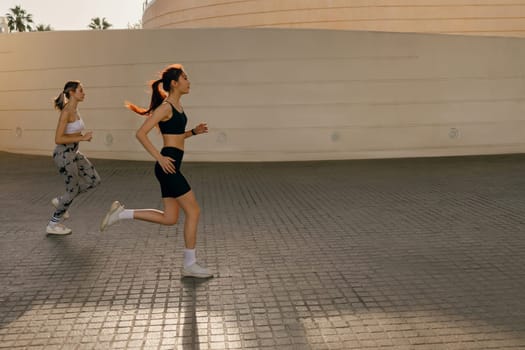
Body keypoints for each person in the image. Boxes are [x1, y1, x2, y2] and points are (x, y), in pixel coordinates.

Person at [99, 64, 213, 279]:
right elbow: (141, 133)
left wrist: (193, 132)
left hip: (171, 166)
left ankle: (121, 214)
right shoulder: (166, 107)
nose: (189, 81)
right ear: (174, 83)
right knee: (194, 211)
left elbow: (176, 137)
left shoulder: (176, 106)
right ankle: (189, 264)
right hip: (167, 166)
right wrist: (159, 158)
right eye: (185, 78)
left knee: (170, 218)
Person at [47, 81, 101, 235]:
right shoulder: (67, 112)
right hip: (64, 155)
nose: (84, 93)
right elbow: (58, 138)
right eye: (81, 90)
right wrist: (83, 138)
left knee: (94, 180)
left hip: (74, 153)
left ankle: (60, 200)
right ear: (71, 92)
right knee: (72, 190)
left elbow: (71, 133)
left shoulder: (75, 110)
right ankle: (53, 224)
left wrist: (81, 137)